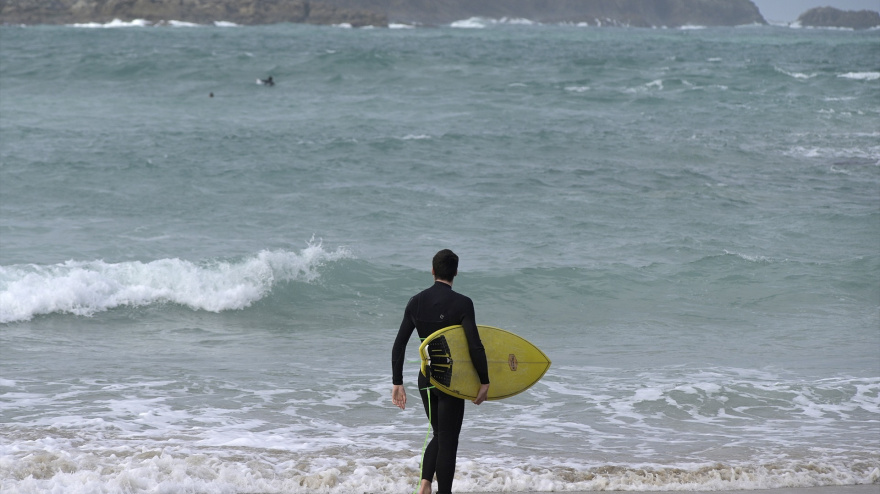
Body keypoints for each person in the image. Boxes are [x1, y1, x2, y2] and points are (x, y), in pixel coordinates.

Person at [391, 249, 490, 494]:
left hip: (425, 379)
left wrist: (397, 382)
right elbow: (474, 345)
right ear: (456, 272)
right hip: (452, 381)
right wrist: (484, 380)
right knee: (448, 439)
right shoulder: (463, 303)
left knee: (439, 433)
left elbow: (399, 343)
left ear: (433, 270)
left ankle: (425, 483)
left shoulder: (416, 301)